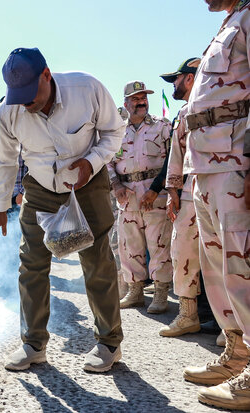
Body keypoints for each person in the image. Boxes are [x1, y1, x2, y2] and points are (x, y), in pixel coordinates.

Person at [0, 47, 124, 372]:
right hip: (40, 187)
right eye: (17, 96)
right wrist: (0, 207)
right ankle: (33, 344)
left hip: (87, 182)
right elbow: (6, 161)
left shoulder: (86, 89)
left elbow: (114, 132)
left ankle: (109, 343)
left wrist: (90, 164)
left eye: (30, 95)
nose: (25, 104)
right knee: (32, 264)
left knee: (97, 262)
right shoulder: (9, 111)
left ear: (46, 75)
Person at [180, 1, 250, 409]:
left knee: (243, 263)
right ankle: (239, 353)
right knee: (218, 264)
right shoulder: (230, 22)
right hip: (205, 163)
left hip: (236, 159)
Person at [107, 81, 173, 314]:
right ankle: (135, 292)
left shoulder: (162, 125)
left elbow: (172, 159)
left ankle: (161, 293)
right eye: (135, 98)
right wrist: (116, 185)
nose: (141, 101)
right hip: (127, 197)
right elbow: (108, 162)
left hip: (155, 194)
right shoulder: (116, 132)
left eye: (143, 97)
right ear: (126, 103)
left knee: (159, 245)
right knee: (129, 246)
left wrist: (157, 188)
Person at [155, 58, 203, 337]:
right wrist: (172, 191)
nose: (173, 83)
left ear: (189, 78)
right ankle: (188, 316)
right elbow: (177, 154)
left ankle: (231, 328)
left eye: (176, 77)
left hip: (221, 184)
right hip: (188, 191)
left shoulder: (224, 102)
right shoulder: (184, 113)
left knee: (222, 256)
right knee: (182, 250)